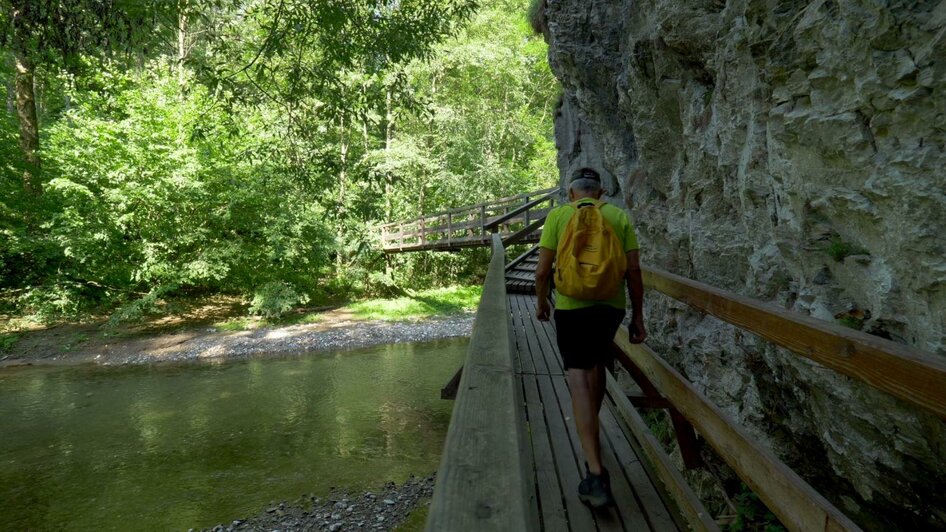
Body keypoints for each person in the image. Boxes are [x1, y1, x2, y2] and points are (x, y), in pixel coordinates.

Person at [535, 167, 647, 508]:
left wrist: (542, 303)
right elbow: (634, 271)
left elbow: (542, 271)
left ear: (572, 193)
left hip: (571, 308)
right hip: (610, 307)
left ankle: (596, 474)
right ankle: (591, 430)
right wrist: (638, 317)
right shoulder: (618, 216)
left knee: (578, 376)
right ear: (599, 193)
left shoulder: (558, 216)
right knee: (596, 361)